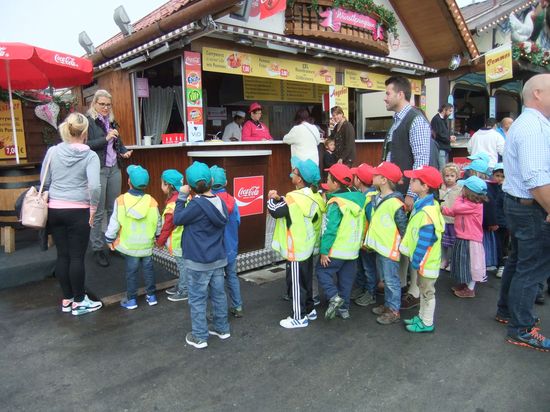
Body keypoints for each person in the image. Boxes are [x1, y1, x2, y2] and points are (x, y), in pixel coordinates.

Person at [496, 73, 550, 352]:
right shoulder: (534, 127)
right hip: (531, 207)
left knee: (518, 262)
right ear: (537, 94)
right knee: (532, 268)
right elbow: (536, 178)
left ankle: (508, 311)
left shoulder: (525, 123)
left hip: (519, 204)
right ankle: (521, 328)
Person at [42, 112, 102, 316]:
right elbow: (94, 187)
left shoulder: (52, 152)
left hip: (55, 210)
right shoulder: (90, 155)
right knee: (77, 257)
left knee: (63, 255)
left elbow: (45, 180)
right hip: (79, 210)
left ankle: (67, 299)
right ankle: (79, 301)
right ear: (85, 131)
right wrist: (93, 209)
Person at [173, 161, 230, 349]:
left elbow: (178, 219)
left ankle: (199, 336)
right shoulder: (220, 202)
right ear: (212, 180)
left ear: (190, 186)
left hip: (198, 261)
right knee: (218, 295)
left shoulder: (196, 205)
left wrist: (181, 196)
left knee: (197, 298)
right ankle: (222, 328)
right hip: (218, 258)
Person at [268, 158, 324, 328]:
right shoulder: (314, 195)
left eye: (295, 171)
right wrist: (281, 198)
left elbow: (276, 211)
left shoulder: (293, 197)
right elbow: (293, 206)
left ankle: (298, 317)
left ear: (299, 179)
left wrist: (271, 198)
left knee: (295, 284)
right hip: (307, 246)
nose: (291, 173)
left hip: (295, 248)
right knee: (306, 280)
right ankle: (309, 309)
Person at [86, 89, 133, 267]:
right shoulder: (89, 122)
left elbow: (117, 143)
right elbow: (85, 145)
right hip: (98, 169)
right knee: (98, 212)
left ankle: (112, 244)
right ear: (94, 104)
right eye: (102, 104)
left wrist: (124, 151)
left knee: (113, 210)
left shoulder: (111, 121)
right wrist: (106, 138)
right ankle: (97, 249)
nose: (105, 107)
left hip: (114, 168)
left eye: (108, 104)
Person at [105, 165, 161, 310]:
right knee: (148, 270)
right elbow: (157, 221)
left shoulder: (121, 200)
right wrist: (158, 235)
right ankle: (152, 296)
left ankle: (132, 300)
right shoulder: (151, 201)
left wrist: (109, 238)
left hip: (130, 246)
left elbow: (114, 222)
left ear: (129, 181)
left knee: (131, 272)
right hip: (147, 245)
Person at [316, 163, 365, 320]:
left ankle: (333, 297)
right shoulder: (358, 200)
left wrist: (324, 251)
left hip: (336, 250)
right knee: (346, 280)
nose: (326, 181)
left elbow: (329, 230)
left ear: (336, 183)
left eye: (328, 179)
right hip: (352, 250)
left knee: (322, 271)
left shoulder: (336, 203)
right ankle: (344, 309)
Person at [400, 166, 445, 333]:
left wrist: (417, 261)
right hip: (424, 262)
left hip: (426, 262)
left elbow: (425, 241)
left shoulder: (427, 212)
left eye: (414, 180)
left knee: (427, 293)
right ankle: (421, 317)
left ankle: (427, 322)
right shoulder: (425, 205)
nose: (410, 182)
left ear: (425, 186)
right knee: (423, 290)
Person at [364, 162, 408, 325]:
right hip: (380, 247)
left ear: (384, 180)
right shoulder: (377, 197)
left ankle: (394, 310)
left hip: (389, 249)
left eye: (376, 174)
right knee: (386, 278)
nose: (372, 176)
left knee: (391, 280)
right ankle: (389, 305)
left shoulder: (395, 203)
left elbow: (402, 227)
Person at [382, 76, 432, 210]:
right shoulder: (397, 120)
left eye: (388, 93)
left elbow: (421, 161)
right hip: (395, 191)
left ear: (400, 95)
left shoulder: (416, 120)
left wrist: (411, 194)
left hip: (406, 194)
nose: (385, 98)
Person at [441, 176, 487, 298]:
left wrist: (459, 197)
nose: (461, 190)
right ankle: (465, 284)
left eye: (463, 188)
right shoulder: (467, 203)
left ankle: (470, 289)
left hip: (470, 239)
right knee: (463, 263)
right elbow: (454, 212)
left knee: (471, 264)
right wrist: (442, 209)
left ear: (468, 191)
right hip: (463, 236)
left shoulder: (474, 204)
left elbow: (456, 208)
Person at [211, 166, 244, 318]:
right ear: (225, 182)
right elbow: (237, 221)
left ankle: (220, 311)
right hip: (231, 246)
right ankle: (237, 307)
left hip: (215, 250)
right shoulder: (232, 200)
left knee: (216, 280)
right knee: (232, 276)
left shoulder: (209, 201)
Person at [350, 163, 379, 308]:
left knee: (368, 268)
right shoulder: (365, 196)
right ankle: (361, 288)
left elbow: (372, 222)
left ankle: (371, 292)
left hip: (367, 242)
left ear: (358, 180)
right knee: (361, 266)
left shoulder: (369, 200)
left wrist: (368, 242)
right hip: (361, 241)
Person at [157, 169, 188, 302]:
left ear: (168, 185)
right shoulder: (185, 197)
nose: (161, 186)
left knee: (183, 266)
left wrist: (159, 242)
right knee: (183, 266)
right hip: (185, 239)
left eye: (162, 184)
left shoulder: (172, 205)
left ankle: (184, 290)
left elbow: (167, 226)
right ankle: (182, 284)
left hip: (178, 241)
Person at [439, 163, 462, 271]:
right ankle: (443, 260)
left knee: (453, 242)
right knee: (442, 242)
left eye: (452, 176)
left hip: (453, 220)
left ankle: (452, 262)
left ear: (457, 177)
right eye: (447, 176)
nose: (449, 178)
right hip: (442, 219)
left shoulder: (460, 190)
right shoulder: (440, 188)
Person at [491, 163, 508, 279]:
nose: (500, 179)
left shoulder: (506, 190)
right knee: (495, 244)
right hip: (493, 221)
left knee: (502, 245)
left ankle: (502, 265)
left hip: (504, 223)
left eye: (503, 176)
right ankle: (497, 263)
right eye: (497, 175)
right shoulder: (491, 188)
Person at [431, 103, 456, 169]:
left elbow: (443, 133)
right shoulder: (436, 119)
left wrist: (450, 137)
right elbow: (439, 134)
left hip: (444, 148)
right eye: (450, 111)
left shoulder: (443, 119)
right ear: (444, 110)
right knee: (442, 169)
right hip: (440, 147)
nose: (450, 113)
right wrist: (449, 138)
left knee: (444, 168)